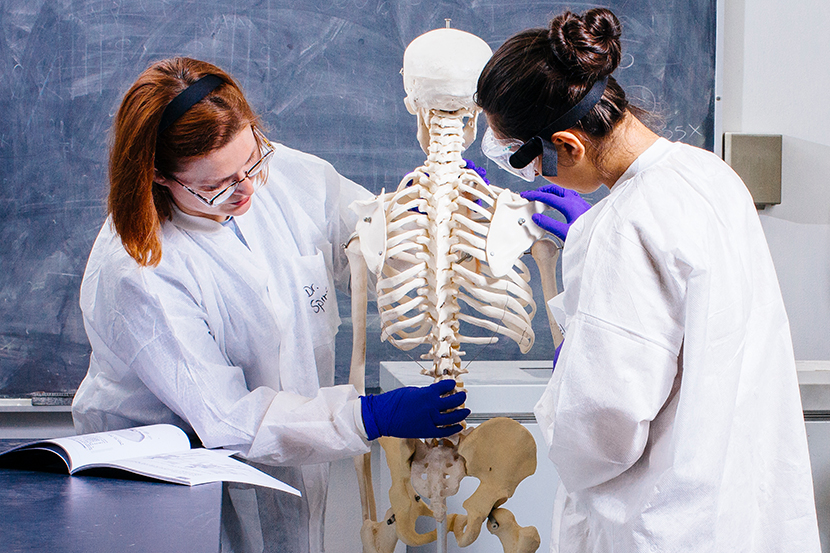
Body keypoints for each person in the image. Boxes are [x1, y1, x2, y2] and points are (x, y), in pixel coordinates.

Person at [71, 57, 469, 553]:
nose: (245, 190)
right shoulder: (140, 270)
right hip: (171, 486)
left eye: (252, 160)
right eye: (215, 185)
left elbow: (365, 240)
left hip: (288, 464)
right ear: (158, 177)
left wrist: (422, 212)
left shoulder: (281, 174)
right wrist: (365, 418)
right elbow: (229, 420)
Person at [477, 8, 820, 552]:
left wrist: (567, 385)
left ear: (567, 144)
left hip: (660, 526)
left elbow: (601, 434)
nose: (535, 177)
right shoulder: (709, 175)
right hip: (736, 510)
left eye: (529, 163)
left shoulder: (620, 227)